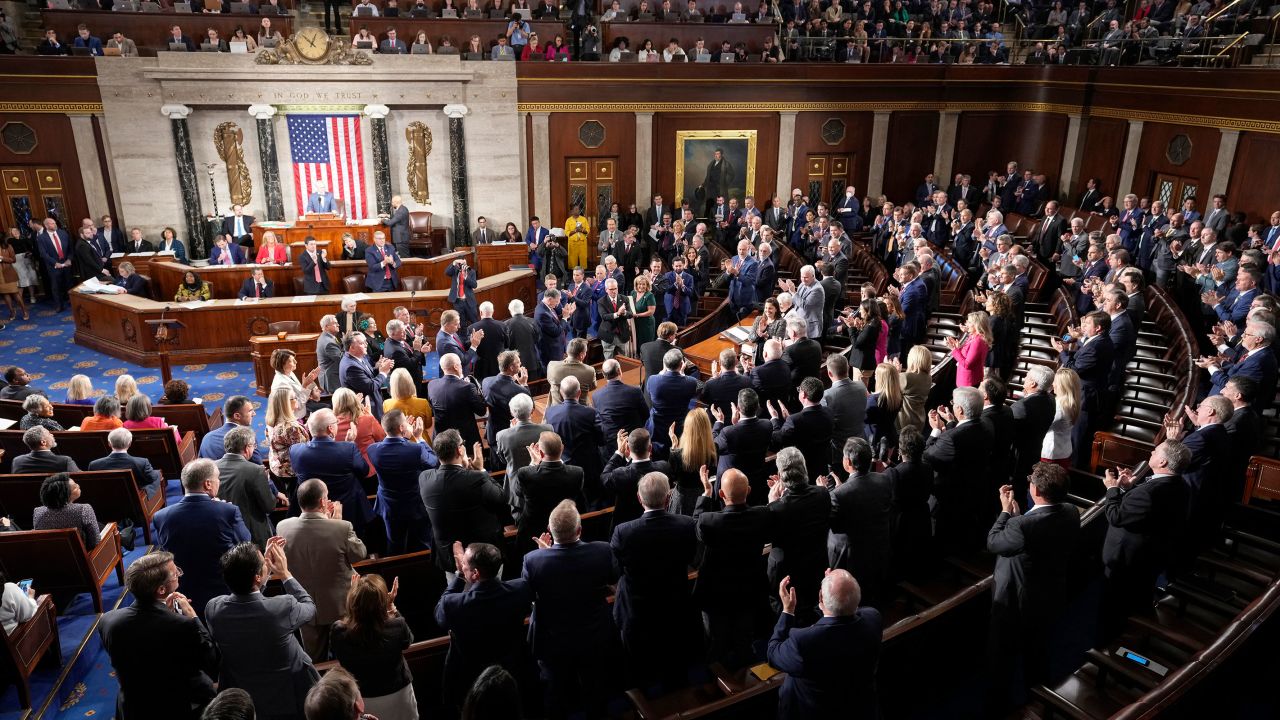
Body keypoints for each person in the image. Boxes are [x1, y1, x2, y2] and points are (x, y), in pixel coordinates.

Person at [986, 463, 1081, 700]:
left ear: (1035, 491)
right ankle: (1038, 702)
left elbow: (994, 542)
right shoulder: (1070, 510)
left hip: (1016, 604)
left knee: (1002, 661)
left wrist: (1006, 512)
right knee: (1038, 654)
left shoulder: (1021, 526)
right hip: (1049, 595)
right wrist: (1018, 519)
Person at [522, 500, 621, 718]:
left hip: (552, 640)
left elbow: (529, 594)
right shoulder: (601, 551)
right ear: (579, 530)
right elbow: (612, 578)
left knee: (556, 694)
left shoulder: (533, 561)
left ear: (550, 530)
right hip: (594, 633)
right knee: (596, 690)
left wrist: (545, 553)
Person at [205, 540, 319, 719]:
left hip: (245, 702)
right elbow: (309, 607)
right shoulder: (284, 606)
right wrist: (285, 574)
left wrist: (261, 573)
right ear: (257, 577)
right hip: (289, 698)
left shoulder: (214, 609)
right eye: (263, 563)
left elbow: (250, 601)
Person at [98, 551, 219, 720]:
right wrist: (191, 615)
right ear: (161, 589)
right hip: (176, 707)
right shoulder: (183, 625)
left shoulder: (108, 620)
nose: (178, 574)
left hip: (133, 708)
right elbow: (210, 659)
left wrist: (165, 614)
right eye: (175, 573)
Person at [1100, 440, 1192, 638]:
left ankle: (1110, 647)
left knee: (1115, 608)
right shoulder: (1181, 485)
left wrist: (1112, 489)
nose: (1152, 451)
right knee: (1138, 599)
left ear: (1163, 462)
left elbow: (1116, 516)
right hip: (1150, 558)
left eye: (1157, 451)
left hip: (1127, 561)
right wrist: (1128, 488)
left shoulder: (1149, 493)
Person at [767, 570, 883, 720]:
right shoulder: (873, 619)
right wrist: (837, 591)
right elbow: (848, 610)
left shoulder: (803, 642)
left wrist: (788, 611)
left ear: (820, 597)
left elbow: (772, 651)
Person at [276, 479, 368, 662]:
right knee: (346, 657)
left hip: (305, 605)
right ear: (322, 502)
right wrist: (337, 522)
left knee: (314, 659)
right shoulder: (342, 527)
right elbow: (360, 554)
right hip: (339, 605)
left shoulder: (283, 527)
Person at [152, 459, 252, 616]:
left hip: (185, 593)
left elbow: (166, 553)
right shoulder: (228, 511)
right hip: (225, 591)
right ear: (208, 484)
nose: (219, 482)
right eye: (217, 478)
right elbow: (245, 544)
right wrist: (221, 508)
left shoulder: (161, 516)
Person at [420, 429, 507, 576]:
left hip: (450, 557)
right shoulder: (476, 478)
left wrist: (465, 470)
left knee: (458, 596)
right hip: (483, 557)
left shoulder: (425, 478)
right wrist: (480, 470)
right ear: (460, 450)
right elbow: (501, 498)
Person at [331, 575, 418, 719]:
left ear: (353, 602)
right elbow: (408, 641)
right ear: (382, 604)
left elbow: (339, 649)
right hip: (398, 694)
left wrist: (355, 597)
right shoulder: (397, 626)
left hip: (363, 699)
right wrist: (392, 609)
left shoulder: (339, 632)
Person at [766, 448, 831, 624]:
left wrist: (772, 502)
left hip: (787, 575)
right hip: (816, 566)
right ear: (804, 468)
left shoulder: (776, 508)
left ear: (781, 474)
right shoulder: (822, 494)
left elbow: (768, 533)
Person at [925, 386, 994, 552]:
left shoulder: (951, 437)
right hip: (975, 489)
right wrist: (950, 423)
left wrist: (936, 430)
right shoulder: (987, 423)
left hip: (949, 495)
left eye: (953, 403)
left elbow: (927, 457)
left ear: (959, 409)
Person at [827, 437, 893, 609]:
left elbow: (835, 524)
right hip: (879, 550)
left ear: (847, 462)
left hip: (852, 560)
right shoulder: (884, 480)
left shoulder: (839, 495)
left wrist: (826, 492)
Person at [290, 410, 375, 538]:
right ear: (330, 428)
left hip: (313, 512)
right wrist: (350, 444)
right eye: (336, 423)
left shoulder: (296, 451)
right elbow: (364, 471)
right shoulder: (348, 449)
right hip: (349, 510)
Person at [366, 409, 437, 555]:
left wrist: (404, 437)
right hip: (414, 502)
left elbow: (395, 448)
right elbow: (433, 462)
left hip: (389, 504)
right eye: (405, 422)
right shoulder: (415, 449)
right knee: (425, 538)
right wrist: (418, 438)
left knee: (395, 543)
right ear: (401, 428)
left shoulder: (373, 450)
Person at [215, 427, 279, 549]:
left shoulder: (212, 467)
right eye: (253, 445)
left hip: (222, 532)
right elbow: (269, 506)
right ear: (246, 448)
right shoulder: (256, 471)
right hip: (251, 536)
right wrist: (267, 481)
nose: (254, 448)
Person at [769, 377, 833, 480]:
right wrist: (790, 419)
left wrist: (774, 419)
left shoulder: (795, 420)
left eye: (799, 389)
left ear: (803, 394)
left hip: (802, 472)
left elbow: (778, 440)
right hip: (822, 468)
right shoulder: (829, 412)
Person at [428, 353, 488, 448]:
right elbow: (482, 411)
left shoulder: (432, 385)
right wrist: (474, 391)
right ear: (456, 366)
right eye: (460, 364)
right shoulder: (468, 387)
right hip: (464, 440)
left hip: (441, 439)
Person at [89, 427, 165, 500]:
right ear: (130, 444)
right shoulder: (142, 463)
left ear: (109, 444)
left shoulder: (94, 465)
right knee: (157, 473)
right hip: (134, 500)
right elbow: (152, 478)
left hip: (105, 499)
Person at [265, 387, 311, 505]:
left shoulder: (272, 420)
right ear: (285, 403)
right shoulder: (291, 427)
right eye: (293, 398)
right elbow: (304, 451)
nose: (296, 399)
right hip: (292, 472)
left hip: (277, 467)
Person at [32, 473, 100, 550]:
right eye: (75, 487)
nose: (78, 485)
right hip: (81, 558)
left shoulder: (38, 511)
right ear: (65, 495)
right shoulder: (83, 509)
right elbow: (95, 542)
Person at [332, 387, 387, 478]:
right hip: (370, 469)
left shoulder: (331, 424)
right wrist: (370, 415)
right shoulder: (367, 419)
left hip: (345, 472)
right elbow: (381, 437)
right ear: (354, 401)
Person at [338, 332, 394, 421]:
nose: (366, 344)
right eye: (362, 343)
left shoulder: (361, 357)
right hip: (367, 410)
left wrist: (379, 368)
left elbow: (367, 375)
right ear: (351, 347)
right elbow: (370, 386)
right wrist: (383, 372)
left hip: (375, 405)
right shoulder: (351, 367)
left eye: (365, 342)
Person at [201, 396, 267, 463]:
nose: (254, 414)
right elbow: (258, 465)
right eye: (250, 411)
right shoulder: (247, 438)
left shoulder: (207, 437)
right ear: (237, 416)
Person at [270, 349, 322, 419]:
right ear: (282, 364)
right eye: (291, 361)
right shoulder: (281, 385)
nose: (296, 362)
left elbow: (298, 394)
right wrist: (305, 386)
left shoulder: (289, 372)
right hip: (294, 419)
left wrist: (307, 383)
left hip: (302, 412)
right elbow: (297, 405)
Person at [35, 217, 73, 311]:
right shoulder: (41, 238)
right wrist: (55, 262)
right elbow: (43, 254)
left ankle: (73, 302)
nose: (54, 224)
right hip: (53, 266)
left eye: (54, 223)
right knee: (56, 287)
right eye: (52, 223)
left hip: (66, 264)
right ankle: (59, 305)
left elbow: (70, 248)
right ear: (46, 225)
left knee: (69, 284)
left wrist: (69, 259)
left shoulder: (63, 233)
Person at [947, 310, 992, 387]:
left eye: (969, 322)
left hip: (969, 381)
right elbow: (967, 355)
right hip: (965, 379)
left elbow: (967, 364)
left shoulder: (978, 340)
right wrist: (958, 347)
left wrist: (953, 350)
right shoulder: (973, 336)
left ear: (977, 325)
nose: (967, 324)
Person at [546, 338, 595, 406]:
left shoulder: (552, 365)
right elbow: (593, 386)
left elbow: (550, 380)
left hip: (556, 408)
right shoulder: (590, 370)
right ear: (581, 355)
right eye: (585, 352)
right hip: (581, 409)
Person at [11, 426, 79, 474]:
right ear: (43, 442)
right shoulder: (65, 461)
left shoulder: (17, 461)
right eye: (49, 434)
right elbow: (80, 479)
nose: (52, 435)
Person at [470, 301, 509, 382]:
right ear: (493, 312)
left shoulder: (472, 328)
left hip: (481, 367)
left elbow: (469, 347)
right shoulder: (503, 325)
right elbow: (507, 344)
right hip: (499, 364)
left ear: (480, 312)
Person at [595, 277, 631, 359]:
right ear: (606, 289)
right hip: (607, 334)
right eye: (611, 289)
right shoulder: (601, 301)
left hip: (622, 334)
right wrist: (618, 313)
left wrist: (624, 312)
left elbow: (630, 314)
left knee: (625, 360)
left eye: (615, 288)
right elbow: (604, 316)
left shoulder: (624, 299)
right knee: (608, 360)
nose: (614, 291)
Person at [445, 257, 479, 327]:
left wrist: (466, 277)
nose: (462, 264)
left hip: (469, 301)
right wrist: (454, 262)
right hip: (457, 301)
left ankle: (475, 336)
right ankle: (463, 337)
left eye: (464, 262)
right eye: (460, 263)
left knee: (474, 321)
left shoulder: (471, 271)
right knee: (461, 323)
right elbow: (446, 272)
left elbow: (474, 285)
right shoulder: (454, 271)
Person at [316, 315, 344, 394]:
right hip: (332, 380)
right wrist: (347, 344)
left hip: (330, 376)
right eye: (335, 323)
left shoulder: (326, 337)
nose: (338, 325)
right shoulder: (328, 343)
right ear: (327, 326)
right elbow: (341, 359)